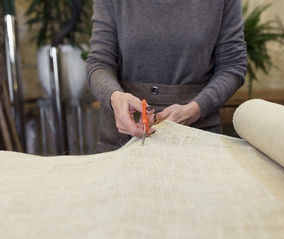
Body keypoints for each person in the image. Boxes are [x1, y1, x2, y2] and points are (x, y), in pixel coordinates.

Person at [87, 0, 247, 153]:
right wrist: (115, 97)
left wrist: (195, 109)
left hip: (197, 138)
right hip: (123, 138)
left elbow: (232, 65)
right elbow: (100, 63)